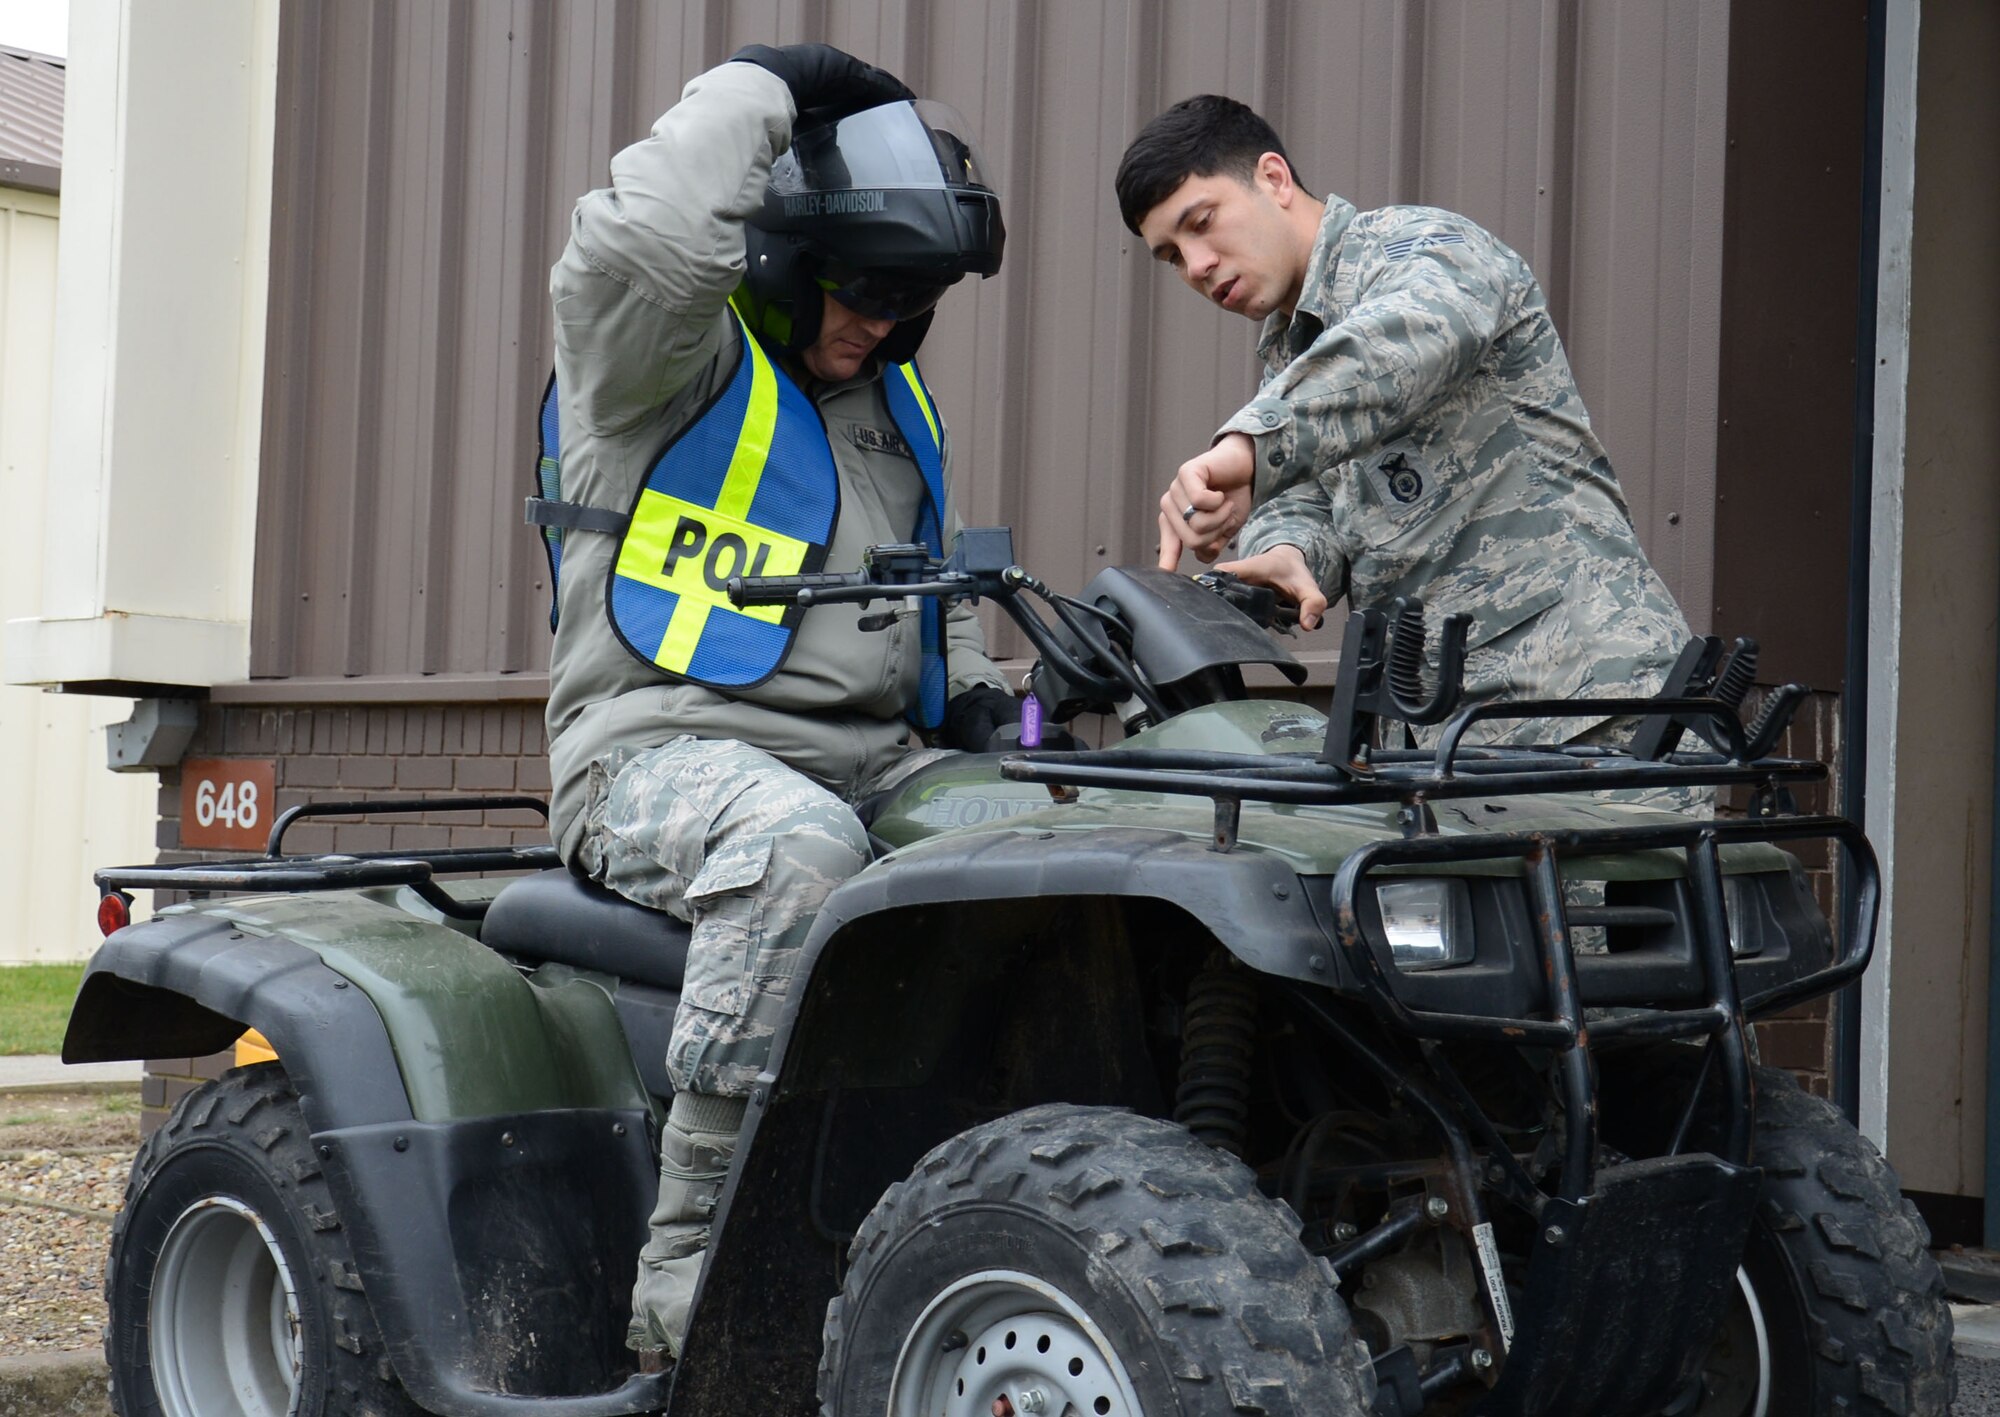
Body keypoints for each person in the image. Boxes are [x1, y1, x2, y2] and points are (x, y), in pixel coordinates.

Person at [535, 43, 1016, 1366]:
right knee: (794, 854)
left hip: (872, 755)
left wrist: (982, 707)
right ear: (784, 259)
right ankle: (691, 1296)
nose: (883, 321)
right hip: (660, 749)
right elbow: (656, 239)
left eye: (913, 300)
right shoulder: (653, 361)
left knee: (1050, 834)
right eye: (863, 289)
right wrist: (761, 81)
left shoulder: (892, 404)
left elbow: (937, 593)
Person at [1120, 95, 1692, 753]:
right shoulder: (1292, 352)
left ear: (1274, 179)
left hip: (1592, 717)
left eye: (1202, 222)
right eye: (1172, 256)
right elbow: (1314, 498)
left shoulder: (1426, 250)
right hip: (1453, 749)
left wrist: (1254, 443)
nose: (1196, 266)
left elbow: (1402, 344)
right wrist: (1286, 553)